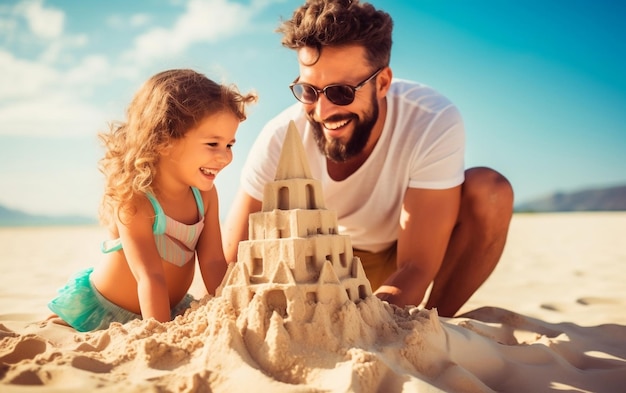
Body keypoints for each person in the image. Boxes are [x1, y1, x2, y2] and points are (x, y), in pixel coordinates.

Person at [222, 0, 514, 317]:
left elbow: (416, 265)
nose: (323, 111)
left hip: (403, 250)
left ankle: (435, 325)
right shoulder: (281, 136)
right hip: (323, 263)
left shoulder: (430, 118)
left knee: (491, 191)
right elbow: (234, 258)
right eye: (309, 91)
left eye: (341, 92)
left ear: (383, 83)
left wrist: (366, 324)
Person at [48, 69, 257, 332]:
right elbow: (150, 276)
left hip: (168, 309)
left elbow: (214, 261)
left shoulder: (205, 195)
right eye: (213, 144)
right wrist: (160, 335)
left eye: (229, 145)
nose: (225, 157)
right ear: (164, 141)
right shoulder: (136, 198)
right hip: (108, 311)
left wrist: (232, 310)